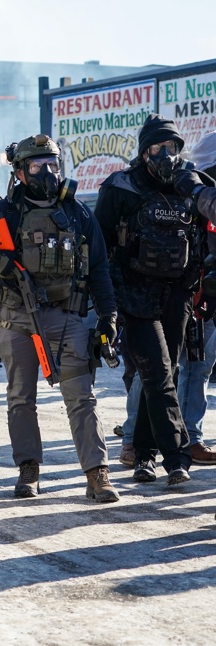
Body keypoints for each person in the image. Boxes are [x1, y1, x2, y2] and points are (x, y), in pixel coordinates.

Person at [0, 134, 120, 502]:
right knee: (20, 398)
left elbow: (99, 270)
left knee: (82, 398)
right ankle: (28, 469)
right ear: (20, 172)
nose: (47, 172)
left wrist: (109, 316)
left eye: (53, 164)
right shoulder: (5, 212)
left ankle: (97, 473)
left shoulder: (77, 213)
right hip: (16, 318)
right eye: (37, 166)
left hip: (67, 317)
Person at [96, 114, 199, 486]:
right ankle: (177, 457)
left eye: (172, 147)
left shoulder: (191, 184)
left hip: (176, 294)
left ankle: (143, 455)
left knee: (165, 374)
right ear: (143, 151)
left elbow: (206, 235)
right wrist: (107, 305)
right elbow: (98, 248)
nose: (166, 154)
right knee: (157, 372)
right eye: (158, 147)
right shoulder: (120, 187)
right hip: (133, 296)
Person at [174, 130, 216, 466]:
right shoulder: (194, 197)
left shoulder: (202, 193)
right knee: (194, 368)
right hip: (202, 295)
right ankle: (188, 438)